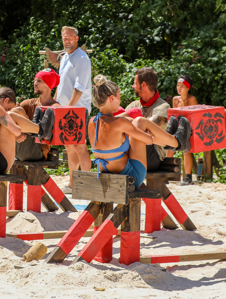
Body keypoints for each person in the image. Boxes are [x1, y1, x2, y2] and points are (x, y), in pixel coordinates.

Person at [89, 75, 190, 188]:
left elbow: (112, 127)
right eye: (119, 97)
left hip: (107, 173)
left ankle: (170, 137)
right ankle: (177, 142)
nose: (120, 101)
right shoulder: (120, 123)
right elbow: (149, 140)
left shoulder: (92, 122)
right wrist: (144, 133)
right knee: (141, 122)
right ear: (111, 99)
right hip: (131, 177)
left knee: (135, 123)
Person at [55, 26, 92, 188]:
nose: (67, 40)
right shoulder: (64, 58)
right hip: (65, 109)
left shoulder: (82, 58)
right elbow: (60, 84)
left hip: (77, 109)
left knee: (80, 146)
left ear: (77, 38)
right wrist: (54, 104)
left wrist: (68, 109)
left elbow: (79, 87)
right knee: (69, 147)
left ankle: (84, 184)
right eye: (64, 38)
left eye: (70, 37)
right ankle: (72, 183)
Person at [125, 67, 170, 171]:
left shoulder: (163, 106)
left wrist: (126, 126)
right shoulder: (133, 105)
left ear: (143, 85)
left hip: (153, 155)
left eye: (135, 83)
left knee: (141, 133)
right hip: (133, 151)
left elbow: (148, 133)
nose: (133, 86)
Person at [13, 69, 60, 161]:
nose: (35, 83)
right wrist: (16, 134)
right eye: (34, 80)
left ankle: (37, 130)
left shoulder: (55, 107)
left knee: (18, 111)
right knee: (14, 111)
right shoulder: (28, 103)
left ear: (48, 83)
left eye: (39, 81)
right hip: (16, 148)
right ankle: (35, 129)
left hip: (38, 151)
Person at [171, 75, 199, 185]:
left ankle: (188, 177)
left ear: (188, 88)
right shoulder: (175, 99)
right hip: (179, 128)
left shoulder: (192, 99)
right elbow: (173, 116)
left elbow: (196, 117)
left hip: (191, 129)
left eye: (182, 86)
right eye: (178, 85)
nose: (179, 88)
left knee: (186, 149)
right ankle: (167, 175)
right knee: (168, 146)